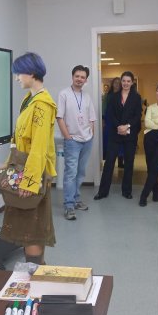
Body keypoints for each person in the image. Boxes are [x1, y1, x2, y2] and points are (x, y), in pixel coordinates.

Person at [0, 52, 57, 264]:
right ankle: (32, 271)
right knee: (26, 227)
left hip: (34, 173)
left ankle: (36, 271)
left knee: (33, 228)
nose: (17, 78)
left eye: (19, 73)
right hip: (23, 167)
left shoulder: (42, 104)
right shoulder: (29, 99)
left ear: (31, 73)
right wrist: (9, 166)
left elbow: (39, 147)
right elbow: (19, 138)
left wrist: (30, 182)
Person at [56, 65, 97, 221]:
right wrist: (67, 137)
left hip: (87, 140)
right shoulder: (64, 94)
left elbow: (91, 118)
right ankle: (69, 205)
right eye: (77, 76)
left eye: (83, 77)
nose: (80, 79)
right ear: (72, 77)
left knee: (80, 173)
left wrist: (91, 134)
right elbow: (59, 117)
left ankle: (76, 199)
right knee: (70, 173)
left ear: (86, 80)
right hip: (72, 140)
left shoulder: (86, 96)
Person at [95, 71, 142, 200]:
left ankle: (127, 191)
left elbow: (137, 115)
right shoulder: (114, 97)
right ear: (121, 82)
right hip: (115, 134)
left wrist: (127, 126)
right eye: (124, 81)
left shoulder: (136, 97)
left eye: (128, 81)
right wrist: (119, 126)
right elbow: (110, 114)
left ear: (132, 82)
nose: (126, 83)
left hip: (130, 134)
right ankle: (102, 192)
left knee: (129, 163)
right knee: (109, 163)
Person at [102, 78, 120, 161]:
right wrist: (103, 120)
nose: (117, 84)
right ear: (112, 84)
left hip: (120, 120)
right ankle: (108, 158)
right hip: (109, 119)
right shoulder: (108, 96)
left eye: (119, 83)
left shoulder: (123, 95)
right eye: (115, 82)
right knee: (108, 139)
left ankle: (120, 160)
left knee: (120, 140)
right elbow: (103, 108)